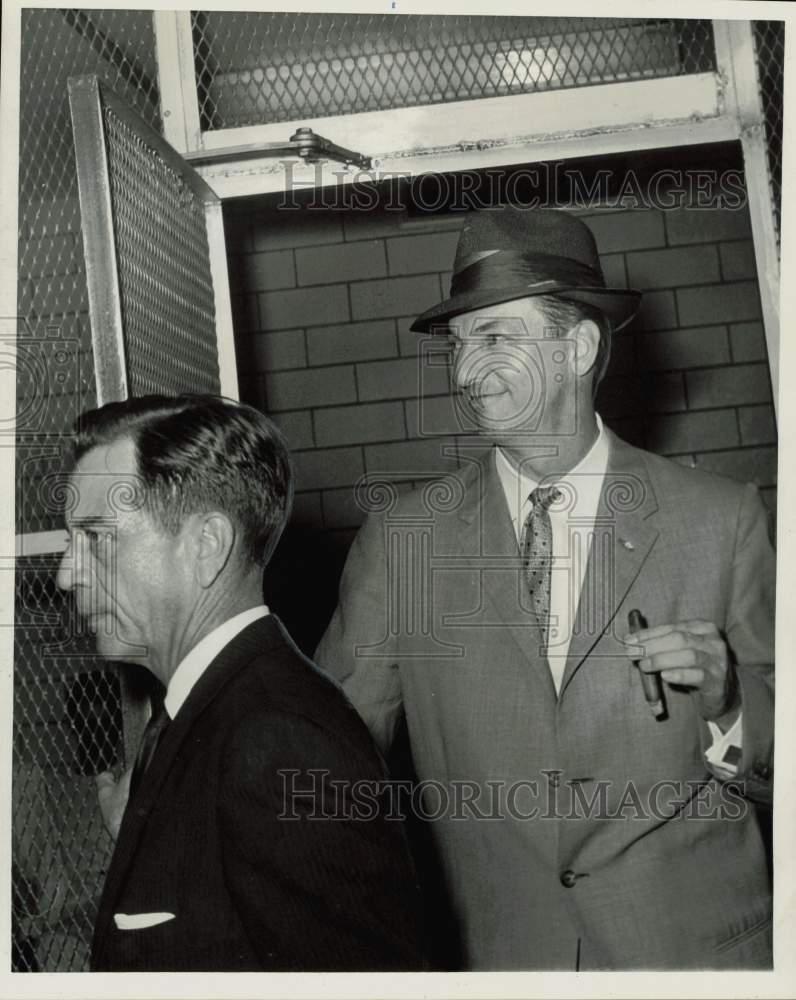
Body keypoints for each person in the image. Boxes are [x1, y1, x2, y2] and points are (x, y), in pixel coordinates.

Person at [315, 206, 775, 970]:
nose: (464, 372)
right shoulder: (403, 543)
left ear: (578, 346)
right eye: (459, 344)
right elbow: (330, 754)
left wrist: (730, 701)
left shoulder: (720, 521)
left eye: (494, 337)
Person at [56, 394, 425, 972]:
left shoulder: (275, 739)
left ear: (206, 546)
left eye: (97, 538)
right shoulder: (204, 712)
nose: (67, 573)